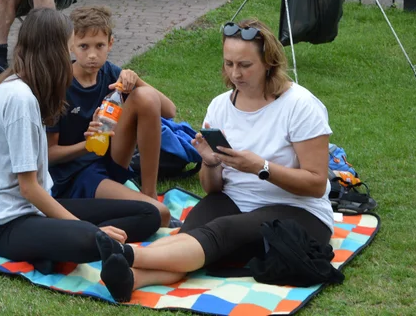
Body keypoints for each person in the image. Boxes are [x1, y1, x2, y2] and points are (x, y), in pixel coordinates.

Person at [124, 19, 334, 294]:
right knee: (192, 233)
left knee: (221, 232)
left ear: (269, 62)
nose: (235, 73)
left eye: (245, 65)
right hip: (234, 200)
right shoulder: (220, 106)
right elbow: (212, 188)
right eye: (229, 63)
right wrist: (211, 163)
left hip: (299, 211)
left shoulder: (300, 105)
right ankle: (131, 278)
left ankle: (129, 255)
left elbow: (316, 184)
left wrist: (261, 167)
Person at [0, 8, 161, 304]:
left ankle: (56, 248)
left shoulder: (27, 90)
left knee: (148, 214)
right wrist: (84, 228)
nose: (72, 56)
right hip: (8, 224)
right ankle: (129, 260)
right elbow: (28, 187)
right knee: (95, 238)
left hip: (39, 209)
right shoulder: (20, 98)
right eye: (70, 46)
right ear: (54, 51)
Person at [48, 6, 177, 223]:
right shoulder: (59, 85)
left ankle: (150, 193)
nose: (92, 54)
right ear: (70, 46)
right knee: (160, 214)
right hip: (78, 175)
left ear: (110, 44)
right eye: (83, 46)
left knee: (145, 96)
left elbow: (169, 111)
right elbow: (48, 154)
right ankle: (149, 209)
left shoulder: (110, 72)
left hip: (111, 160)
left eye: (99, 46)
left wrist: (136, 80)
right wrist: (86, 145)